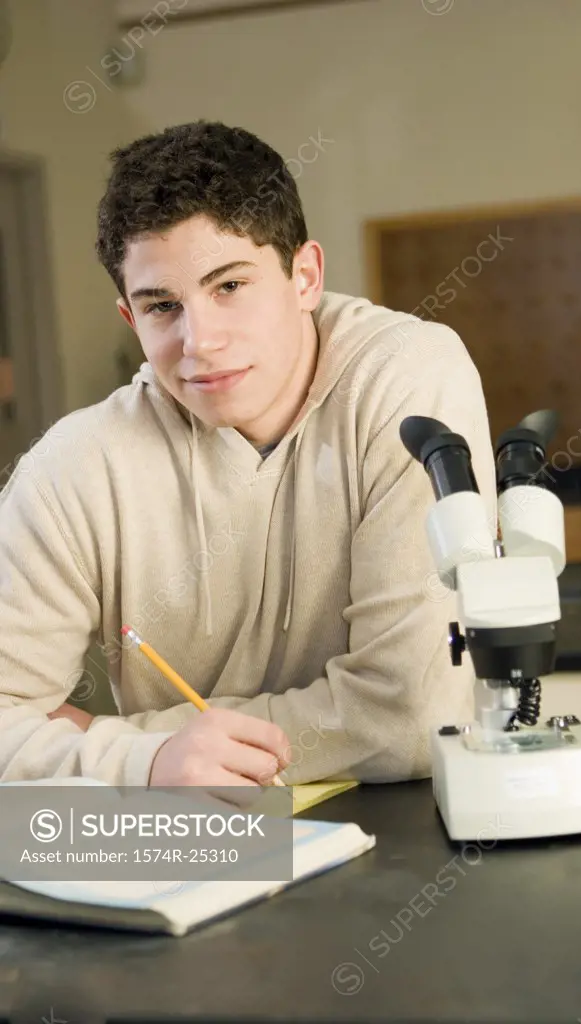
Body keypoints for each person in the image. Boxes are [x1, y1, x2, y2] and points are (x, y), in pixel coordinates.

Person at [0, 121, 495, 788]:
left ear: (305, 277)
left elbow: (409, 718)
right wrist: (145, 763)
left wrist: (118, 745)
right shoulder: (75, 468)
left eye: (229, 286)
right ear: (130, 319)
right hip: (203, 856)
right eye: (162, 306)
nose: (199, 341)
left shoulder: (408, 380)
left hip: (410, 841)